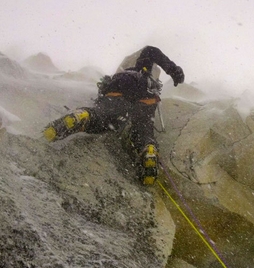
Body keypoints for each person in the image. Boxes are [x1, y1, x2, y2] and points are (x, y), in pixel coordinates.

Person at [43, 46, 185, 185]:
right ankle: (148, 148)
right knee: (143, 128)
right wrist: (174, 70)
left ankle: (85, 115)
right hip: (145, 91)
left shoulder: (124, 73)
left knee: (104, 117)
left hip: (119, 85)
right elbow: (151, 50)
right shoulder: (144, 69)